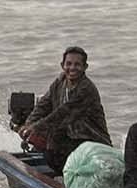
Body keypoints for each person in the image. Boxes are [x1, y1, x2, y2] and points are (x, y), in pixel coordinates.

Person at [19, 45, 112, 175]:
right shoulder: (60, 81)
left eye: (77, 64)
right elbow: (43, 105)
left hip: (91, 141)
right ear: (62, 65)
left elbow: (63, 113)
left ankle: (68, 175)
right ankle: (63, 173)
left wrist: (35, 128)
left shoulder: (86, 89)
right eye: (69, 64)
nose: (72, 68)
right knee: (44, 142)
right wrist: (28, 125)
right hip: (70, 137)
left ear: (85, 67)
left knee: (53, 139)